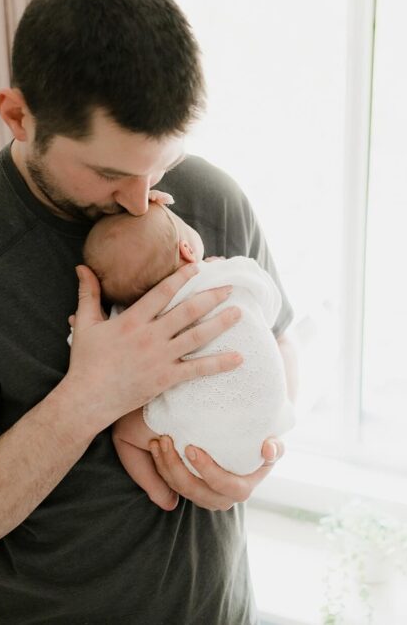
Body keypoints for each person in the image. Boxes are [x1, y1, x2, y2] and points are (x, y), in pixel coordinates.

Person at [0, 0, 296, 624]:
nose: (143, 197)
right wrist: (92, 397)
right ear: (17, 116)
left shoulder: (210, 197)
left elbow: (280, 344)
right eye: (109, 173)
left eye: (160, 163)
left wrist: (257, 456)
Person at [77, 201, 295, 510]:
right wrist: (227, 271)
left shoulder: (134, 316)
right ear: (188, 250)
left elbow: (97, 345)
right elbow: (271, 312)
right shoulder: (229, 273)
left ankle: (160, 494)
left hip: (199, 441)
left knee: (124, 432)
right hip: (266, 427)